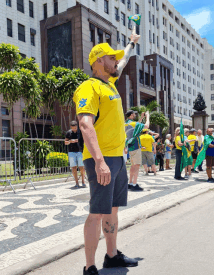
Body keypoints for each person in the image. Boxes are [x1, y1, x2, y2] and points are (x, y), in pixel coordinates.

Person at [74, 34, 140, 274]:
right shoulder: (88, 87)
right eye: (112, 58)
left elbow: (123, 62)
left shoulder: (109, 84)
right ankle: (89, 266)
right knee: (96, 212)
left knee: (112, 210)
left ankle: (111, 256)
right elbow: (85, 124)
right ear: (99, 61)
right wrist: (100, 162)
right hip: (101, 159)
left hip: (118, 158)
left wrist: (131, 43)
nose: (117, 62)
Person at [125, 110, 149, 191]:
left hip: (130, 146)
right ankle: (134, 184)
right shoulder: (133, 123)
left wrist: (141, 118)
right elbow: (146, 126)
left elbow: (135, 128)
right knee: (137, 165)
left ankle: (130, 183)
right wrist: (147, 117)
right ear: (131, 115)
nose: (135, 114)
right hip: (136, 145)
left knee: (132, 165)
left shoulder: (126, 123)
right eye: (134, 114)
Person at [65, 121, 86, 188]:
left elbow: (85, 140)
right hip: (71, 152)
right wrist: (70, 141)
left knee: (81, 167)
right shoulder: (68, 133)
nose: (74, 129)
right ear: (71, 127)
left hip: (80, 151)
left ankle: (83, 181)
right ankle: (77, 183)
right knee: (74, 167)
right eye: (73, 128)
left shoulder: (81, 132)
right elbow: (65, 142)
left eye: (75, 127)